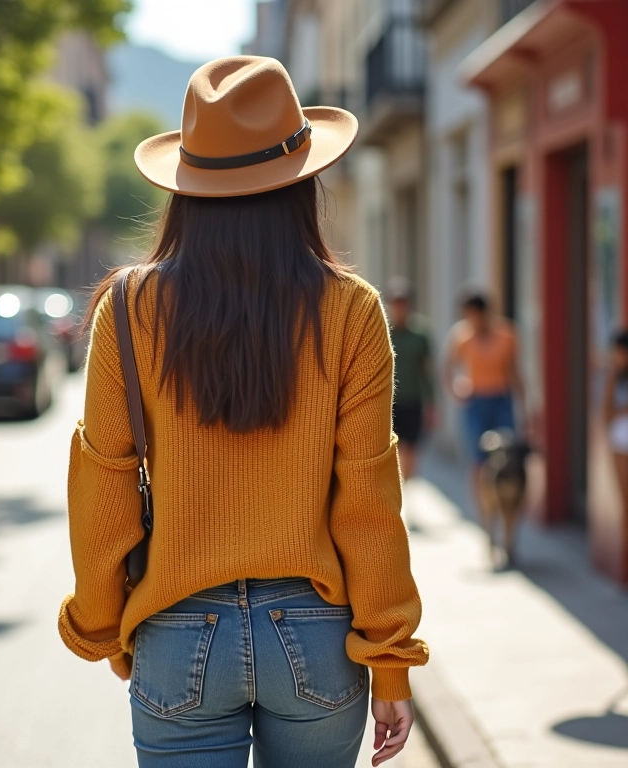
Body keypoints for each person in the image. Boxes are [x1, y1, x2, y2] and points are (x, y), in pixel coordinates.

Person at [58, 57, 428, 768]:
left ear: (186, 187)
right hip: (317, 638)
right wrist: (390, 661)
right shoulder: (352, 310)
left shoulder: (128, 309)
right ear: (302, 182)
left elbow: (105, 485)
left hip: (177, 628)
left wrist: (103, 624)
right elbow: (369, 501)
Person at [443, 290, 526, 511]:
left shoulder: (507, 335)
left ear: (485, 313)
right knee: (478, 458)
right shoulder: (461, 336)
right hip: (475, 402)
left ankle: (504, 505)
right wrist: (456, 389)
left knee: (507, 454)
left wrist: (524, 406)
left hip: (502, 399)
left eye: (474, 315)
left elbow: (515, 371)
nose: (472, 320)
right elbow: (448, 367)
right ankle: (483, 512)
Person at [386, 278, 434, 480]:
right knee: (391, 445)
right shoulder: (383, 331)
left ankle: (406, 484)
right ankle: (396, 485)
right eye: (396, 304)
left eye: (403, 304)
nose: (400, 309)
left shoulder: (420, 335)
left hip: (413, 399)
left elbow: (426, 371)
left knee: (411, 448)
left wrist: (431, 404)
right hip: (389, 401)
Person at [603, 330, 628, 512]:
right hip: (620, 444)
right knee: (625, 502)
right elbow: (606, 414)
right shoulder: (615, 378)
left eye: (620, 351)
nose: (616, 356)